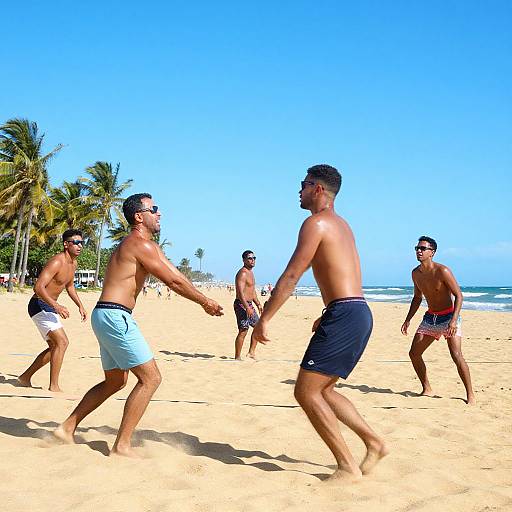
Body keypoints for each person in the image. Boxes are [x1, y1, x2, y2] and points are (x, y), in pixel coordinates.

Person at [54, 193, 223, 456]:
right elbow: (174, 282)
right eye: (153, 208)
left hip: (106, 314)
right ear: (138, 216)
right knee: (151, 378)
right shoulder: (140, 244)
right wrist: (204, 302)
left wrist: (204, 299)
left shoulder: (137, 245)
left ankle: (67, 427)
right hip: (114, 315)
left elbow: (176, 274)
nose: (159, 213)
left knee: (114, 382)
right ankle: (122, 446)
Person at [252, 164, 387, 482]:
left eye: (302, 184)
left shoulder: (315, 223)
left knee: (306, 392)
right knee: (322, 389)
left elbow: (291, 276)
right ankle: (374, 442)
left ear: (317, 188)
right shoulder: (342, 225)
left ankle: (347, 466)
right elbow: (344, 274)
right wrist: (332, 310)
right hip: (355, 311)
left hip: (346, 314)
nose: (297, 190)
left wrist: (264, 319)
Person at [401, 236, 476, 405]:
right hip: (431, 318)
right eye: (417, 248)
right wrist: (408, 320)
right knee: (414, 353)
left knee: (456, 355)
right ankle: (426, 388)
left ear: (432, 252)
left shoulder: (443, 271)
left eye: (422, 248)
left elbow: (459, 296)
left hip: (449, 316)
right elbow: (417, 297)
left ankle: (470, 395)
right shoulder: (415, 273)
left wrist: (453, 321)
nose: (419, 251)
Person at [18, 229, 87, 392]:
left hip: (48, 306)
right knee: (62, 342)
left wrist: (80, 305)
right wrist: (57, 306)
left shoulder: (73, 263)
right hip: (39, 304)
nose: (80, 246)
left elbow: (69, 286)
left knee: (55, 346)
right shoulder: (57, 261)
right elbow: (38, 287)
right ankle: (54, 386)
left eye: (81, 243)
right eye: (76, 242)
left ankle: (25, 377)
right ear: (66, 244)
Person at [233, 250, 263, 360]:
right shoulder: (243, 273)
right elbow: (240, 293)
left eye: (254, 258)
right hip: (241, 304)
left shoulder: (251, 273)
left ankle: (251, 352)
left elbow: (252, 291)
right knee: (243, 330)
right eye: (250, 258)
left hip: (249, 304)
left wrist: (258, 304)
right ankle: (237, 357)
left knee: (258, 327)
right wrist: (247, 307)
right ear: (244, 260)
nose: (253, 260)